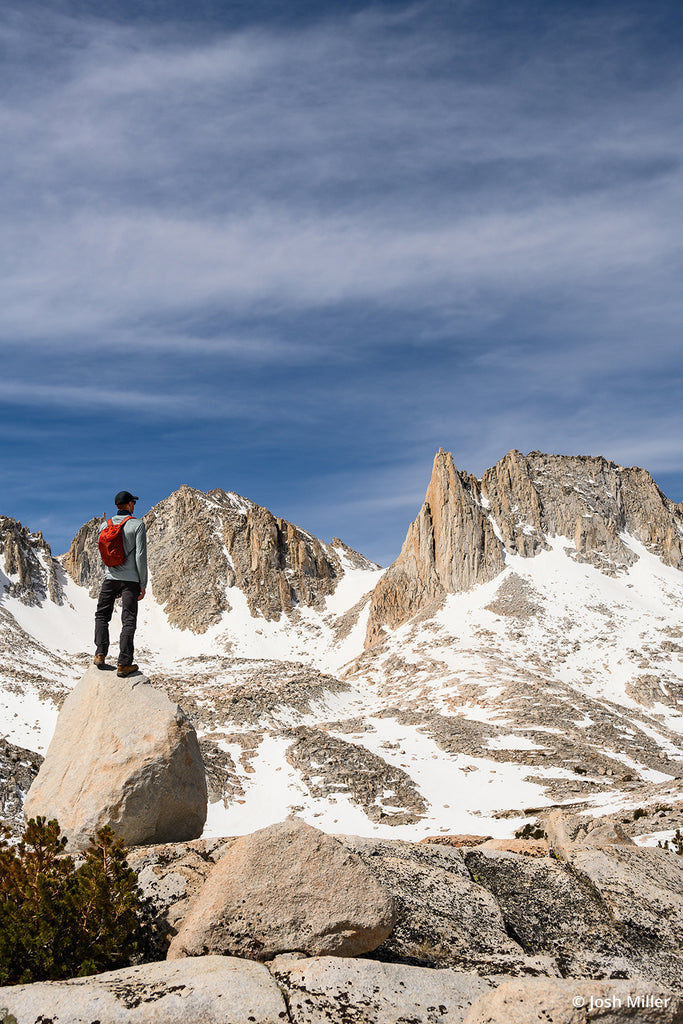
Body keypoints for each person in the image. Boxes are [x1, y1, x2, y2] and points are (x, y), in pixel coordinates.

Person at [93, 490, 148, 677]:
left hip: (110, 579)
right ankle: (124, 663)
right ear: (130, 504)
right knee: (128, 620)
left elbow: (102, 555)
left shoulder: (103, 526)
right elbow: (140, 556)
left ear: (117, 506)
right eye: (134, 502)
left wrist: (109, 573)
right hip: (131, 581)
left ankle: (100, 654)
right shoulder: (137, 525)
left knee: (102, 615)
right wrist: (143, 583)